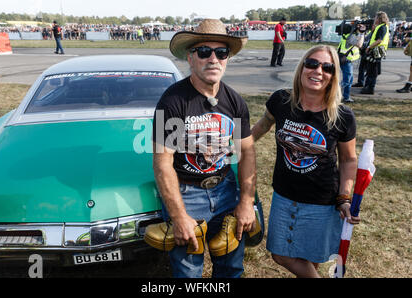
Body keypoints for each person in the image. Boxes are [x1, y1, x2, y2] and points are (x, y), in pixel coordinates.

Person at [152, 19, 257, 278]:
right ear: (190, 57)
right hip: (186, 193)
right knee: (188, 271)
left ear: (227, 59)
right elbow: (162, 161)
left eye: (221, 53)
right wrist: (178, 215)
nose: (213, 59)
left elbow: (248, 152)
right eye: (204, 52)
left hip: (225, 189)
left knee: (231, 267)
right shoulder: (171, 101)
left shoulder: (235, 101)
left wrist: (246, 201)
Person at [251, 45, 360, 278]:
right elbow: (261, 127)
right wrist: (233, 148)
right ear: (302, 68)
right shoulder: (281, 101)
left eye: (327, 67)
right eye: (312, 63)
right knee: (280, 254)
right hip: (284, 195)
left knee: (310, 257)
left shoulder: (342, 116)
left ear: (333, 76)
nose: (318, 71)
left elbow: (349, 160)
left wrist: (344, 197)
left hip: (321, 200)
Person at [361, 12, 389, 95]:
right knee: (372, 69)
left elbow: (379, 40)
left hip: (377, 50)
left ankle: (370, 88)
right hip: (378, 50)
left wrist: (369, 47)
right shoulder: (382, 27)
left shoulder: (382, 27)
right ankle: (368, 87)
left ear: (379, 18)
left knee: (372, 70)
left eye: (376, 17)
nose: (375, 19)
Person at [337, 25, 361, 103]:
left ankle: (346, 97)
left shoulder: (347, 35)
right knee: (346, 81)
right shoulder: (350, 37)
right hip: (346, 60)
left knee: (349, 80)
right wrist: (362, 33)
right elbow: (360, 45)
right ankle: (333, 93)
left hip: (345, 59)